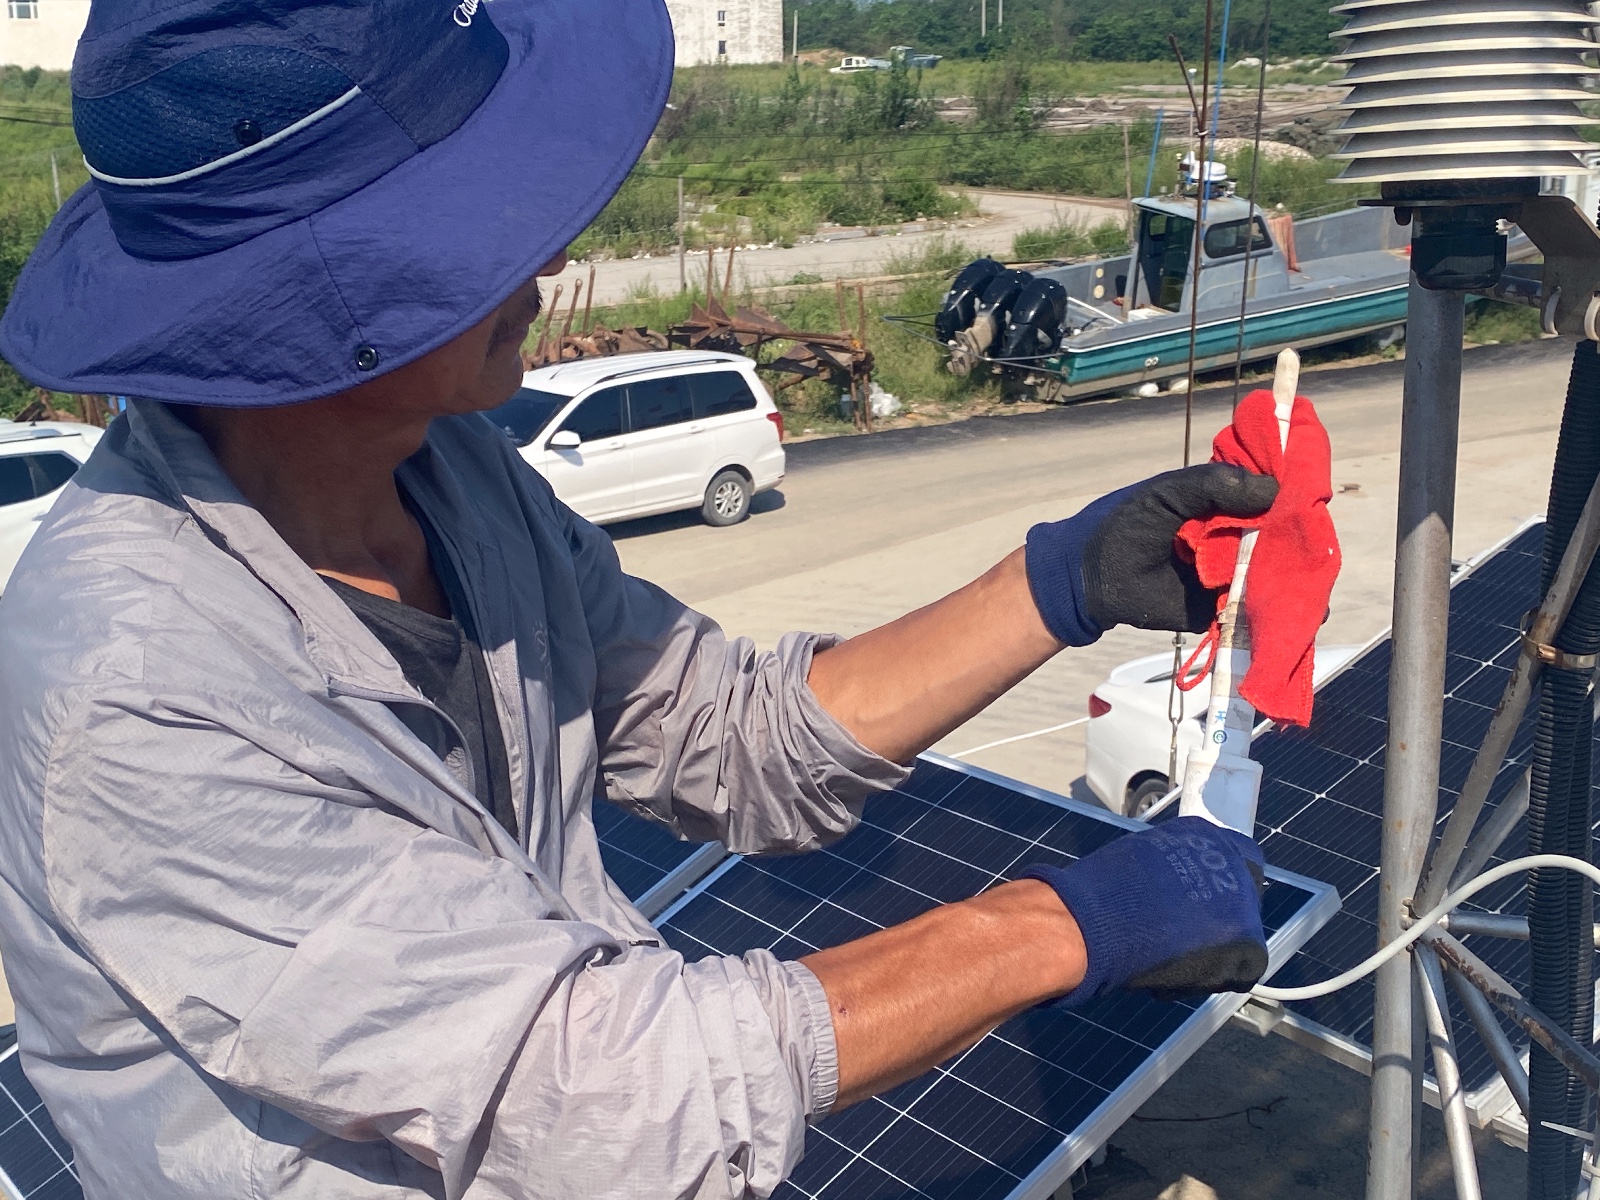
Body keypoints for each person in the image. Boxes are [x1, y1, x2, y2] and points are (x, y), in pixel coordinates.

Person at [0, 0, 1279, 1195]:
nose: (552, 250)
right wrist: (1055, 925)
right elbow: (604, 1093)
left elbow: (721, 732)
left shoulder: (449, 473)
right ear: (319, 306)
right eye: (487, 219)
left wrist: (1054, 582)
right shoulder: (140, 692)